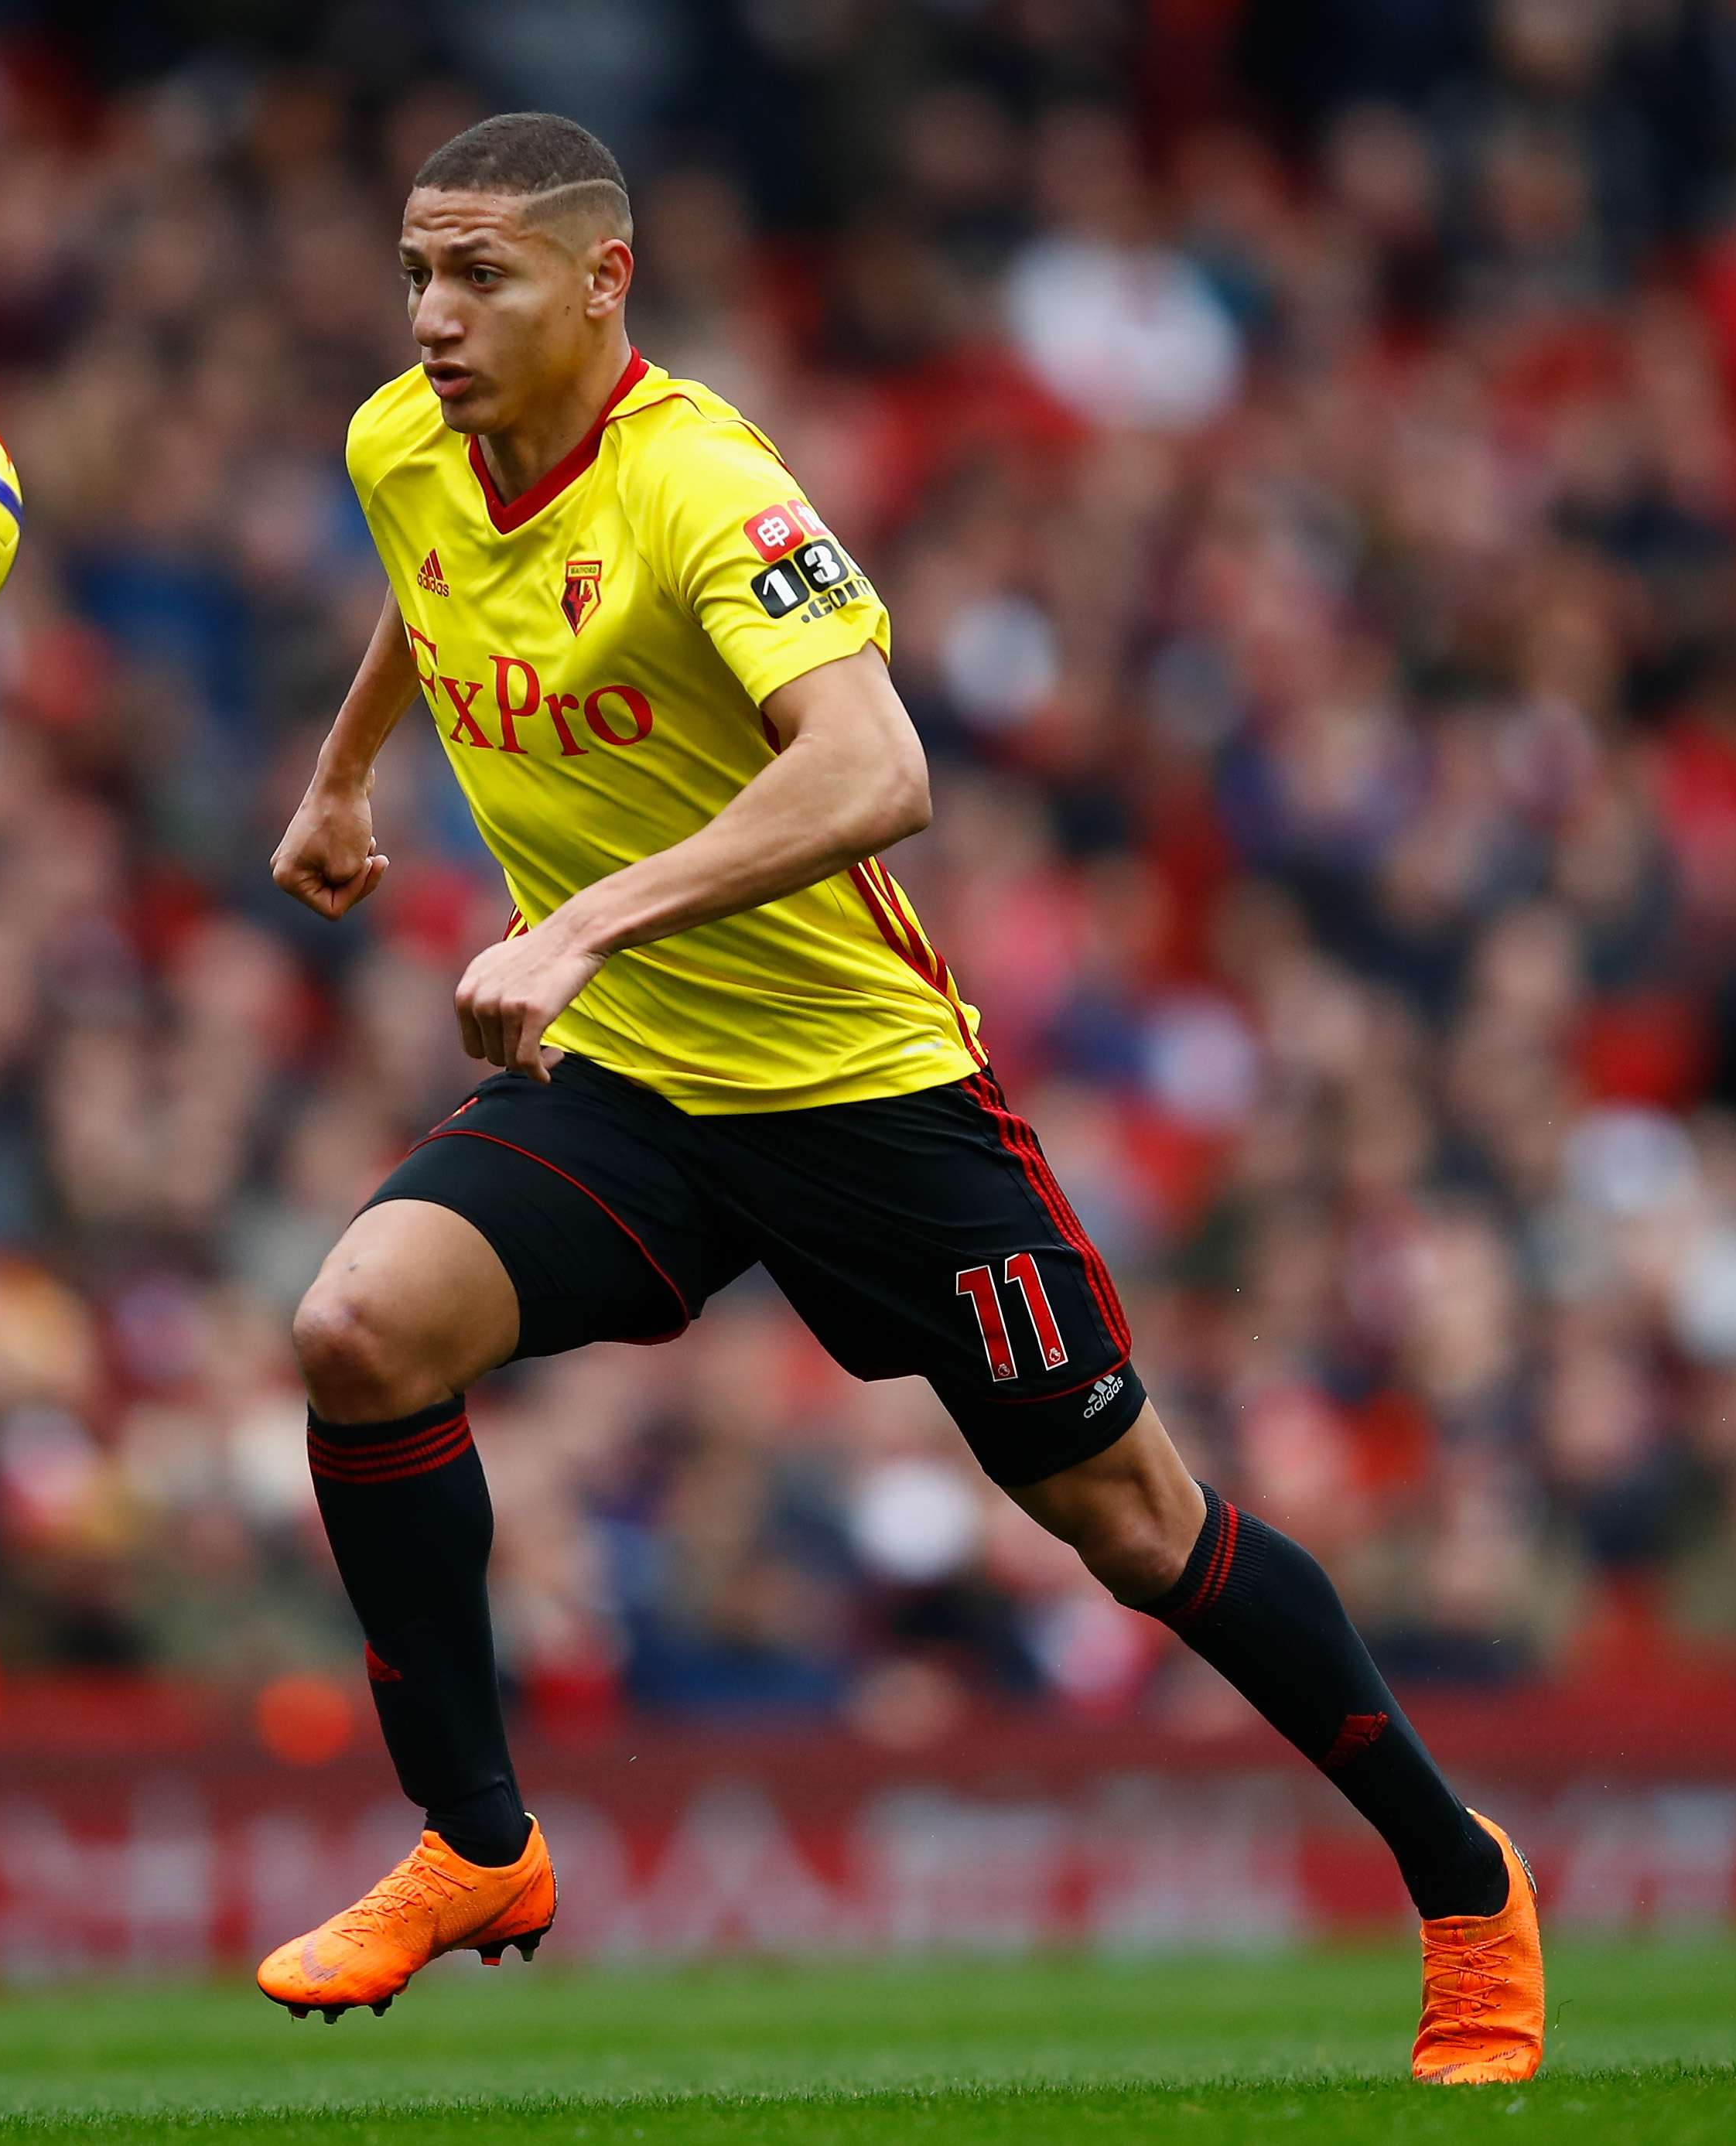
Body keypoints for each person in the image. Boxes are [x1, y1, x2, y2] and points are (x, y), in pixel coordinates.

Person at [259, 111, 1543, 2085]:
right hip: (636, 1095)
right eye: (418, 273)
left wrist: (582, 920)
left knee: (1129, 1524)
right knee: (354, 1329)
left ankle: (1462, 1886)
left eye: (480, 277)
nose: (432, 317)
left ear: (604, 283)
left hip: (865, 1101)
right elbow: (427, 586)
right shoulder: (397, 444)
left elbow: (876, 769)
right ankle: (476, 1843)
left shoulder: (707, 485)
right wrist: (349, 771)